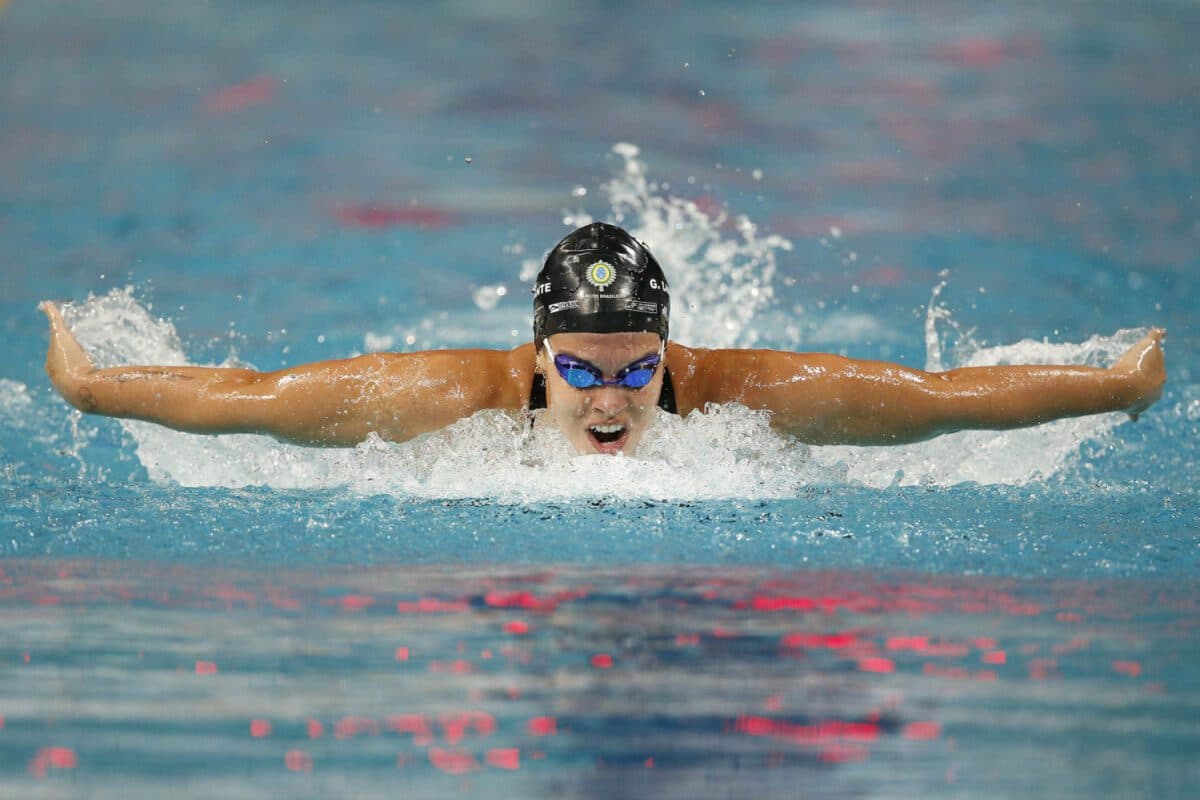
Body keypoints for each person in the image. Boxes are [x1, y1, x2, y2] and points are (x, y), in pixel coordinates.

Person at [43, 222, 1166, 455]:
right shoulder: (452, 395)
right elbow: (250, 393)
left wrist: (1110, 389)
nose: (611, 402)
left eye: (636, 370)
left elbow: (940, 396)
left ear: (671, 355)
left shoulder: (745, 393)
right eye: (579, 370)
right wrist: (93, 388)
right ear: (537, 357)